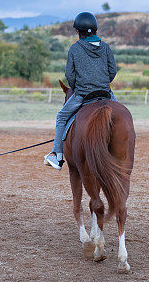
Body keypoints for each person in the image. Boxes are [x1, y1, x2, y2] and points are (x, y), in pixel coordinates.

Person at [44, 12, 117, 170]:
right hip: (106, 93)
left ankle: (57, 156)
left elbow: (69, 75)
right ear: (95, 29)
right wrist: (103, 84)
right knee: (122, 115)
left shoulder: (75, 49)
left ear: (78, 31)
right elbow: (113, 70)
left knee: (61, 117)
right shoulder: (105, 47)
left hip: (84, 94)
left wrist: (79, 87)